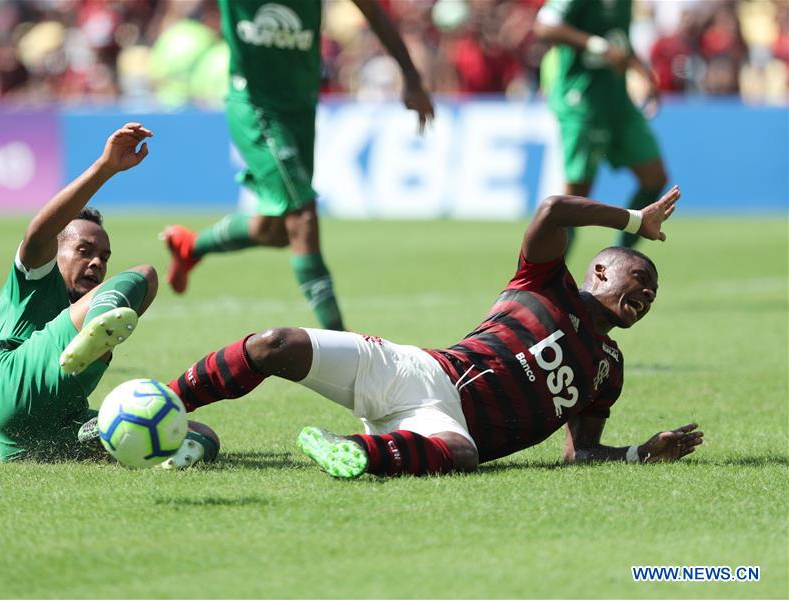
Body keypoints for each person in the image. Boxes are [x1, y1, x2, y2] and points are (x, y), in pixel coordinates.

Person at [143, 186, 703, 478]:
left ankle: (353, 452)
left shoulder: (609, 370)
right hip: (420, 371)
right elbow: (554, 208)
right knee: (274, 345)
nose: (647, 294)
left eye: (653, 293)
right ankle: (163, 404)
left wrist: (638, 453)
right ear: (600, 271)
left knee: (461, 454)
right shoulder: (543, 283)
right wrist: (635, 223)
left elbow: (578, 455)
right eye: (639, 277)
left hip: (442, 426)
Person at [162, 0, 435, 331]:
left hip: (301, 107)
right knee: (303, 218)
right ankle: (343, 347)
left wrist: (411, 76)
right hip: (255, 107)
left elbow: (374, 12)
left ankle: (192, 246)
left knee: (274, 230)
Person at [0, 123, 218, 465]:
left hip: (42, 434)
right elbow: (37, 234)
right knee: (145, 275)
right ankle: (95, 331)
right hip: (14, 381)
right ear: (57, 252)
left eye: (103, 258)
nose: (96, 263)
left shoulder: (87, 297)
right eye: (84, 250)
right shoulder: (33, 279)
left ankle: (159, 455)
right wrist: (104, 169)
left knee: (201, 434)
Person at [534, 0, 668, 250]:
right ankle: (549, 279)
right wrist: (597, 45)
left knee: (654, 177)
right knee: (575, 200)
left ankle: (621, 254)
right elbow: (544, 26)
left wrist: (642, 72)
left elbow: (619, 41)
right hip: (582, 100)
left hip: (617, 101)